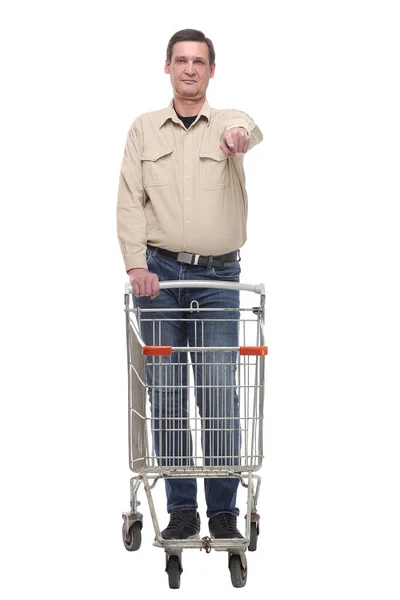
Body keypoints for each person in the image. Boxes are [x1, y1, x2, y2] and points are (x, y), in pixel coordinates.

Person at [117, 28, 263, 541]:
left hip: (219, 279)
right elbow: (130, 199)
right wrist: (137, 264)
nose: (189, 69)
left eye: (199, 61)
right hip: (160, 278)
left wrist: (240, 138)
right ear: (167, 67)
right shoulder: (143, 129)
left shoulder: (227, 123)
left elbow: (249, 126)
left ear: (211, 70)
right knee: (168, 391)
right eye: (181, 60)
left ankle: (223, 507)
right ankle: (182, 507)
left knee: (221, 390)